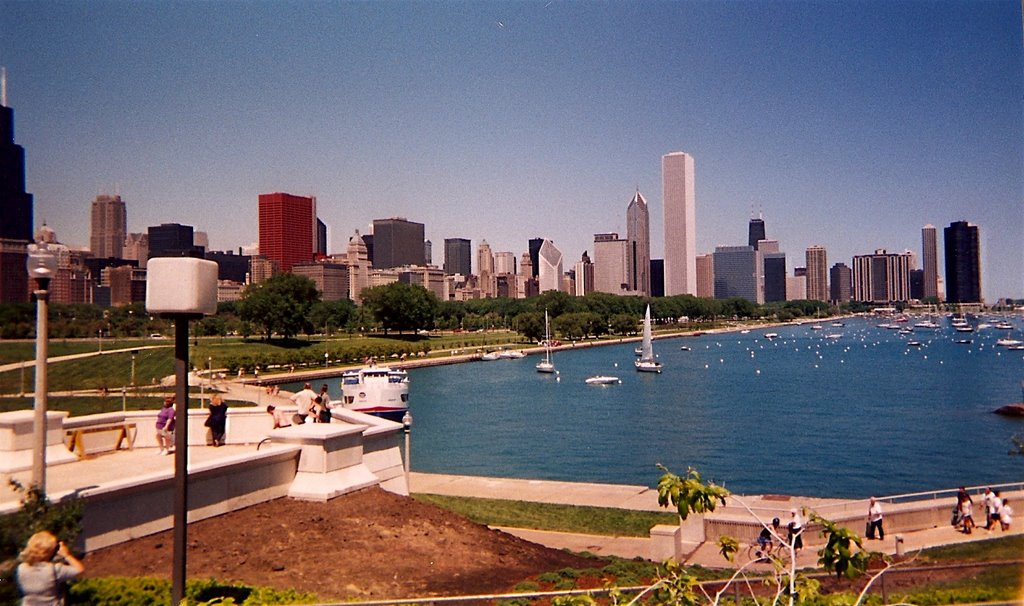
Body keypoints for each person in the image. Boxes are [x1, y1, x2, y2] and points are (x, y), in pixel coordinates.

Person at [16, 530, 85, 605]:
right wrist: (66, 555)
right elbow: (79, 570)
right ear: (50, 552)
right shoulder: (54, 570)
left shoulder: (21, 569)